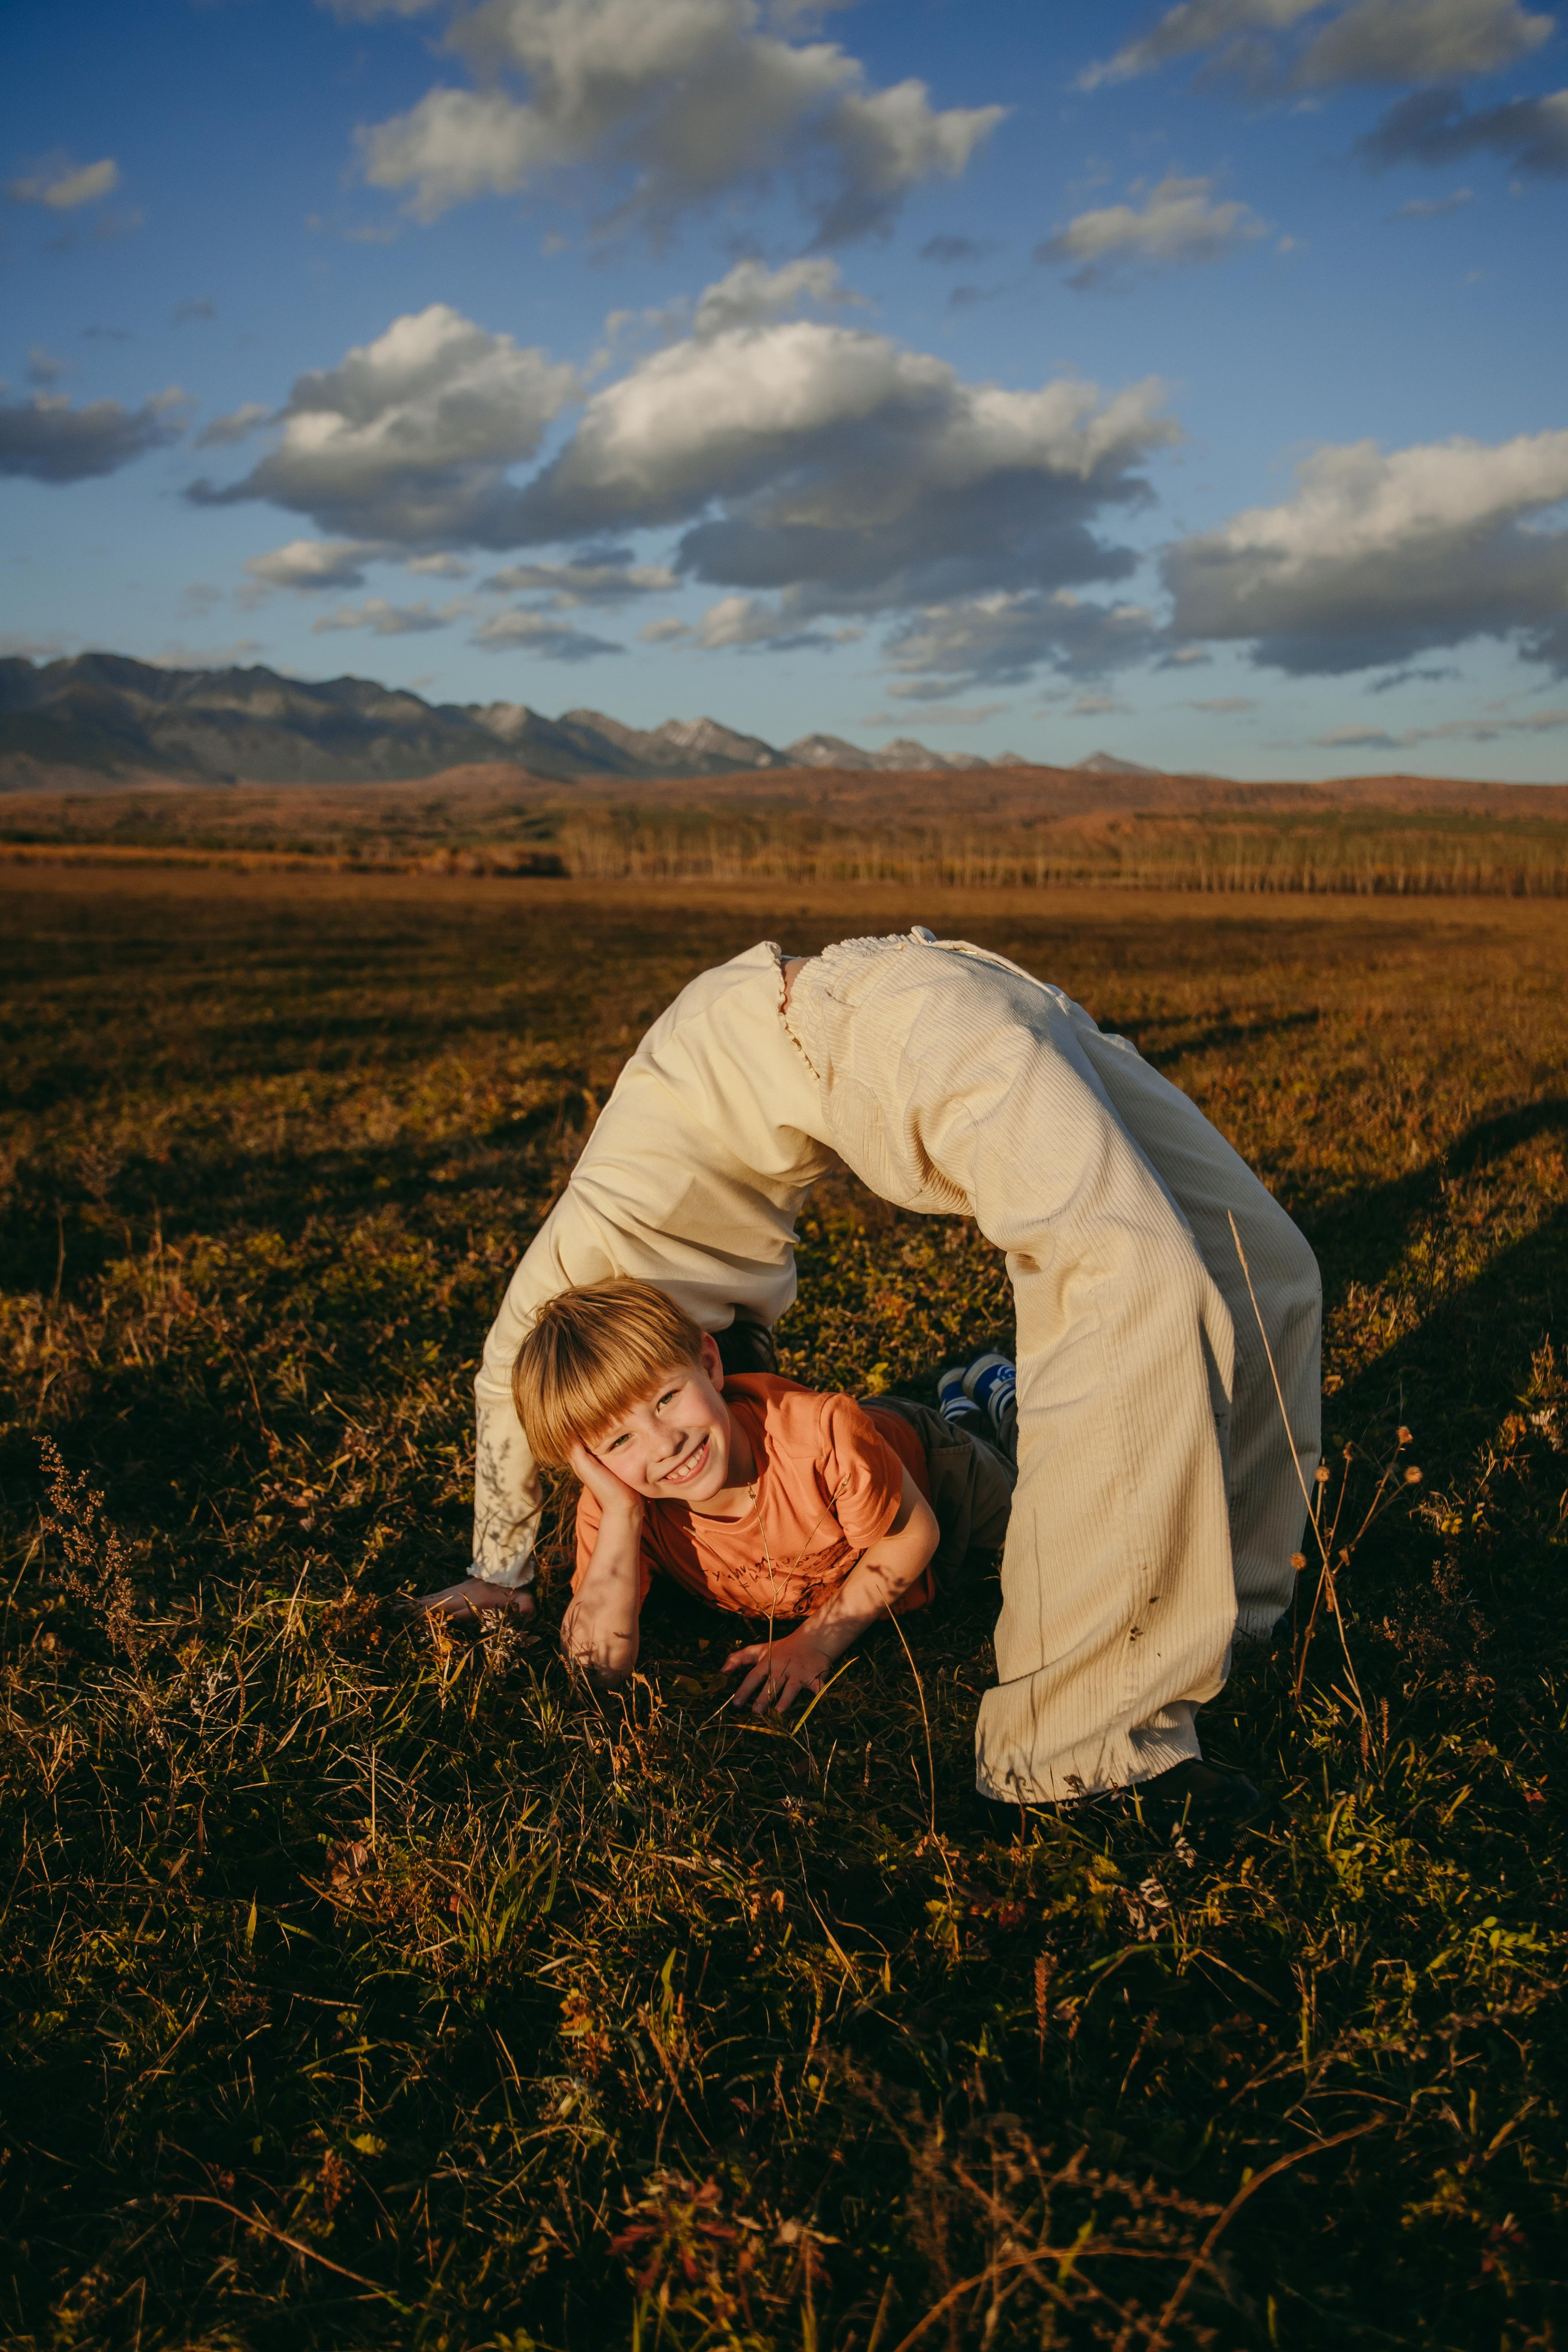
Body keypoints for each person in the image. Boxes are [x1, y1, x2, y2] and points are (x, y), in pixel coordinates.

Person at [415, 928, 1321, 1826]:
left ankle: (1116, 1709)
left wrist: (500, 1565)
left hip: (886, 1008)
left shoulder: (571, 1281)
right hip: (927, 997)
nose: (658, 1437)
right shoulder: (645, 1317)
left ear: (701, 1362)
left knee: (1162, 1273)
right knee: (1242, 1266)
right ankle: (1166, 1667)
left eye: (660, 1401)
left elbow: (503, 1375)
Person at [514, 1277, 1017, 1714]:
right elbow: (596, 1668)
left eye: (667, 1398)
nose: (665, 1445)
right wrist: (623, 1513)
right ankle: (963, 1404)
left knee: (1042, 1508)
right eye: (620, 1441)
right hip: (880, 1512)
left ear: (709, 1363)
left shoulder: (819, 1438)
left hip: (941, 1479)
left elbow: (912, 1534)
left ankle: (1003, 1397)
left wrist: (814, 1643)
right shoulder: (617, 1508)